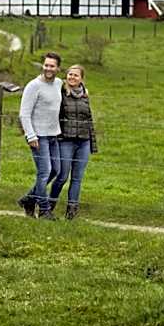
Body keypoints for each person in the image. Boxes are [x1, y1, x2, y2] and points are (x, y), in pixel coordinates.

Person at [17, 51, 62, 219]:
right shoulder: (33, 86)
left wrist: (83, 90)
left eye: (52, 66)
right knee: (44, 172)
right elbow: (24, 114)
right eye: (46, 65)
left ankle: (29, 199)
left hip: (53, 135)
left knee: (55, 170)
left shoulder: (58, 83)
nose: (48, 68)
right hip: (38, 137)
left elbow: (71, 88)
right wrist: (31, 136)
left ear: (58, 68)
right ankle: (44, 210)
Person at [49, 64, 97, 220]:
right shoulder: (61, 92)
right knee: (62, 176)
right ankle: (48, 207)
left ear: (81, 78)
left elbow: (89, 120)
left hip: (83, 142)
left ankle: (71, 212)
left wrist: (92, 144)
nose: (72, 77)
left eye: (76, 75)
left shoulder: (85, 95)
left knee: (77, 178)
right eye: (70, 74)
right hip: (66, 141)